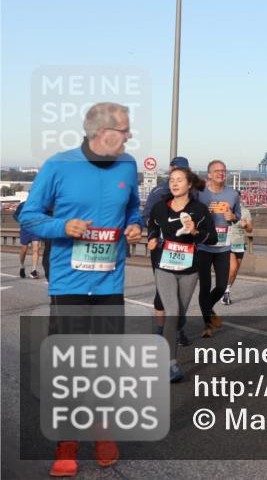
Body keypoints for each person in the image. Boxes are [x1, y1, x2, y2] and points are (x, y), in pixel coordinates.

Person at [18, 102, 142, 477]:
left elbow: (132, 210)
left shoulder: (128, 165)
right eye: (124, 130)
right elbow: (28, 215)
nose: (129, 136)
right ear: (101, 132)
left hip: (109, 284)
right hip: (69, 285)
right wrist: (62, 227)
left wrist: (134, 227)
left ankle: (102, 430)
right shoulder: (59, 165)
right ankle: (66, 443)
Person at [147, 167, 217, 382]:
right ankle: (171, 364)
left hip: (189, 269)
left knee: (179, 317)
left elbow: (212, 238)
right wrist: (151, 238)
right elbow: (152, 226)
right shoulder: (160, 208)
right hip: (164, 266)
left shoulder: (200, 210)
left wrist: (195, 231)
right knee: (173, 310)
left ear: (189, 184)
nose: (174, 183)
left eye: (179, 180)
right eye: (172, 180)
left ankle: (167, 336)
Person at [142, 155, 191, 340]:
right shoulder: (158, 192)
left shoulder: (192, 193)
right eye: (176, 169)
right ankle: (162, 329)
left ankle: (178, 328)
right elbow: (145, 216)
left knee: (182, 292)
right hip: (162, 248)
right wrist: (156, 229)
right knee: (164, 290)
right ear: (170, 169)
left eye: (184, 170)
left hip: (185, 249)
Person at [196, 160, 241, 338]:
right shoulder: (200, 194)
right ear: (209, 174)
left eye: (223, 171)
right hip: (204, 246)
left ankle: (208, 310)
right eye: (216, 171)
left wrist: (233, 216)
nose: (220, 173)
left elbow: (237, 215)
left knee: (222, 286)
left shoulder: (233, 194)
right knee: (205, 287)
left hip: (223, 246)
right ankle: (207, 325)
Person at [222, 199, 253, 305]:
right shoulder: (224, 209)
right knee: (233, 268)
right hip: (228, 242)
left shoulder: (245, 211)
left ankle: (227, 291)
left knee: (235, 271)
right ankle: (224, 292)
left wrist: (245, 225)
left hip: (239, 243)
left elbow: (250, 229)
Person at [14, 200, 41, 278]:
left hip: (36, 228)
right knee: (24, 249)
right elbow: (15, 215)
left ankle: (33, 271)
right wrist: (21, 220)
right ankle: (22, 265)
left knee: (36, 248)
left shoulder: (39, 203)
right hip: (25, 228)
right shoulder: (23, 204)